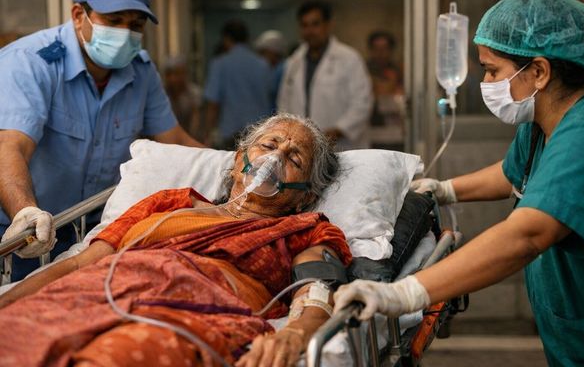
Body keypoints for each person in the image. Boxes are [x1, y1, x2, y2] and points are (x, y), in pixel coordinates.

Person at [334, 0, 584, 366]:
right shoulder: (541, 124)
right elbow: (513, 174)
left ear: (539, 72)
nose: (486, 82)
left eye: (493, 71)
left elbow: (526, 235)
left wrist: (406, 293)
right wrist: (444, 189)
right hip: (574, 331)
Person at [0, 114, 352, 367]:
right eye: (269, 145)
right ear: (237, 161)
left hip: (190, 312)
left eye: (294, 158)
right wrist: (9, 301)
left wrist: (295, 334)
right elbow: (79, 264)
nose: (274, 159)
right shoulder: (170, 204)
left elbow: (317, 292)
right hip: (96, 290)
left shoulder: (306, 229)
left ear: (305, 196)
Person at [0, 0, 204, 282]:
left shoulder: (141, 72)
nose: (125, 33)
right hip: (20, 232)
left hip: (88, 231)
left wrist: (232, 165)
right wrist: (25, 212)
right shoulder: (31, 63)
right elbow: (10, 146)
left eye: (135, 25)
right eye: (113, 20)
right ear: (78, 15)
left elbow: (174, 138)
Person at [277, 0, 373, 150]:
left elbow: (362, 102)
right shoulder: (293, 62)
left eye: (315, 24)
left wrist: (339, 130)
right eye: (304, 25)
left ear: (328, 25)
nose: (310, 31)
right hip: (302, 144)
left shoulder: (349, 58)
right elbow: (284, 102)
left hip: (342, 146)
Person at [204, 20, 272, 150]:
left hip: (231, 136)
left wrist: (208, 133)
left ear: (226, 39)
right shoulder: (263, 65)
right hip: (260, 134)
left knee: (233, 163)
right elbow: (269, 96)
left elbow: (213, 104)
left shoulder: (220, 64)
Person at [366, 30, 406, 149]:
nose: (381, 53)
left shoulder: (399, 71)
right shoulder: (363, 71)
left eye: (384, 48)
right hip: (371, 130)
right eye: (377, 49)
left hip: (396, 133)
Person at [163, 55, 203, 141]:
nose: (173, 78)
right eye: (169, 74)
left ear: (184, 74)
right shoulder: (161, 94)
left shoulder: (193, 93)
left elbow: (196, 119)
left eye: (177, 73)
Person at [255, 30, 287, 112]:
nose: (261, 57)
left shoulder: (283, 70)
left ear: (274, 52)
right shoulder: (270, 70)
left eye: (263, 53)